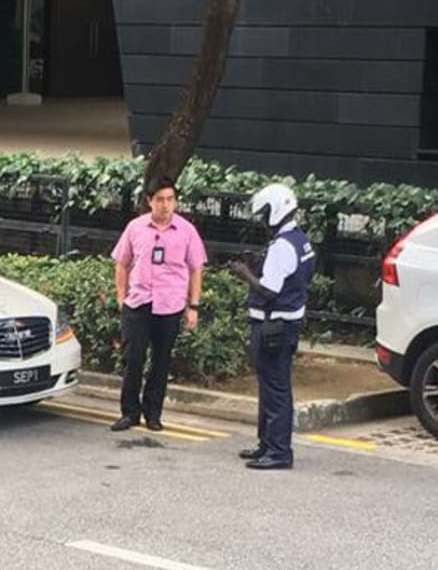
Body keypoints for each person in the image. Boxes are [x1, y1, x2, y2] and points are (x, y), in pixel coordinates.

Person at [110, 176, 207, 432]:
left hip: (170, 305)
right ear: (149, 201)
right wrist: (121, 296)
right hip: (138, 303)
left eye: (170, 199)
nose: (166, 205)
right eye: (160, 200)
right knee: (133, 359)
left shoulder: (186, 231)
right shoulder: (135, 228)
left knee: (161, 362)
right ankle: (130, 413)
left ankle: (154, 413)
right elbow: (121, 262)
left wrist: (193, 306)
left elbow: (196, 268)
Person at [229, 183, 315, 470]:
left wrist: (244, 274)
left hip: (273, 326)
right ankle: (267, 443)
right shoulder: (299, 240)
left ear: (276, 210)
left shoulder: (282, 246)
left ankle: (278, 451)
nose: (263, 220)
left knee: (275, 389)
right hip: (286, 324)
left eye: (265, 213)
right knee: (271, 387)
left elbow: (269, 290)